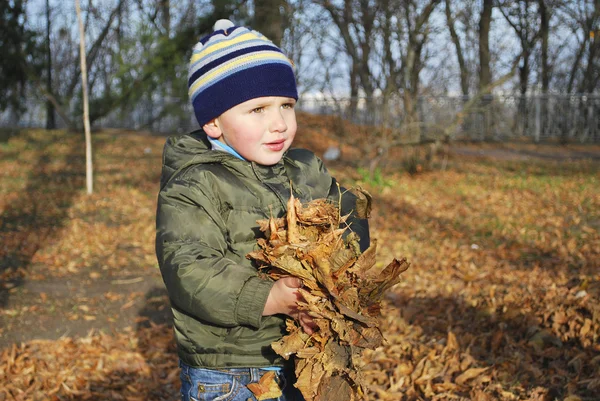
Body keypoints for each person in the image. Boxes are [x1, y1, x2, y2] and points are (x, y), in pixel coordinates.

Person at [155, 19, 369, 401]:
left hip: (307, 352)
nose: (279, 124)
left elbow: (350, 224)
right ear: (213, 122)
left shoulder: (306, 169)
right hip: (234, 369)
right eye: (257, 110)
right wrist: (267, 297)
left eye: (286, 105)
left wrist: (339, 263)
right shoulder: (195, 183)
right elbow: (189, 268)